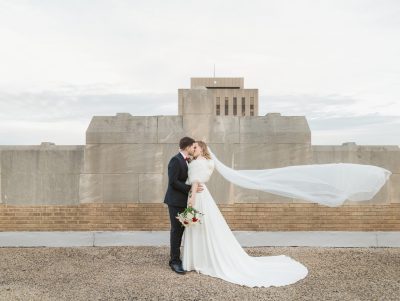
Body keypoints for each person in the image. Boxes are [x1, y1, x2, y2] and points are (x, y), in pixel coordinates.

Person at [181, 140, 391, 287]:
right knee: (206, 229)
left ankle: (199, 260)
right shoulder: (207, 162)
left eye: (196, 146)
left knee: (201, 227)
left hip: (199, 197)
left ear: (202, 148)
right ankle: (202, 259)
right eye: (192, 147)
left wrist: (190, 204)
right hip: (205, 197)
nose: (193, 149)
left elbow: (196, 184)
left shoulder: (199, 163)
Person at [163, 137, 203, 274]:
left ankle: (182, 257)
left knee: (184, 230)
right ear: (187, 147)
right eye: (193, 147)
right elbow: (173, 182)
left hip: (184, 201)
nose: (194, 149)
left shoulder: (188, 161)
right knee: (176, 231)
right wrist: (190, 189)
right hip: (175, 201)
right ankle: (174, 261)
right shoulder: (175, 160)